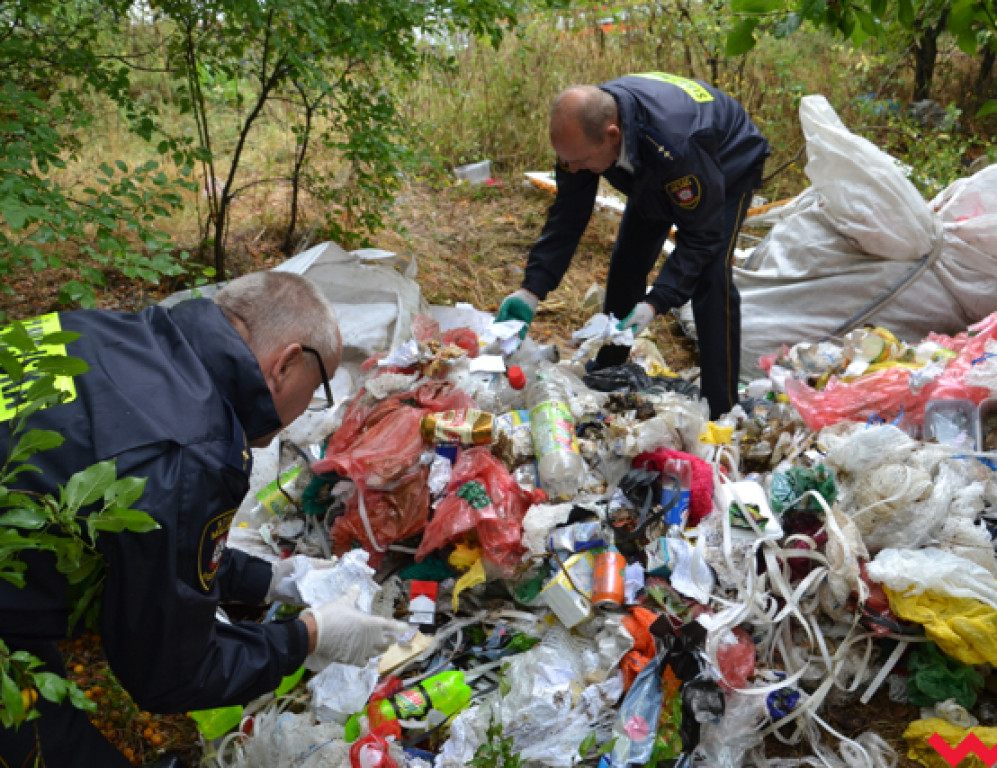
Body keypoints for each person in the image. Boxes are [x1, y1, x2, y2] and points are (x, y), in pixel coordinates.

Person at [0, 271, 408, 768]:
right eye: (315, 391)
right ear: (286, 364)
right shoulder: (193, 449)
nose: (304, 416)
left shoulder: (105, 331)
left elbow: (152, 543)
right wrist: (307, 638)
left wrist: (270, 579)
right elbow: (170, 672)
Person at [496, 73, 771, 418]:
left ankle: (722, 406)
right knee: (628, 259)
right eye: (568, 162)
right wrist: (531, 289)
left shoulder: (678, 145)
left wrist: (656, 302)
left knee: (711, 277)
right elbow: (568, 215)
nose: (575, 169)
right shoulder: (585, 137)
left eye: (580, 161)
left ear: (612, 135)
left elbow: (701, 238)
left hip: (725, 164)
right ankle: (610, 367)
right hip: (650, 167)